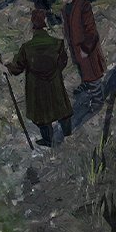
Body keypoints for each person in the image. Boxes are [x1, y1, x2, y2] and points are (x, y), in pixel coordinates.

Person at [6, 8, 72, 147]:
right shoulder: (58, 44)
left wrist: (6, 68)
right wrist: (55, 72)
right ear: (45, 23)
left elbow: (17, 68)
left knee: (41, 116)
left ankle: (48, 140)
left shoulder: (26, 48)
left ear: (32, 26)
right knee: (61, 108)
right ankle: (67, 132)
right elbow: (63, 62)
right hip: (54, 83)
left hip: (36, 87)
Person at [58, 0, 105, 97]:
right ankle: (86, 83)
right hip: (75, 47)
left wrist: (86, 48)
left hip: (86, 48)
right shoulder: (65, 9)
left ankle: (97, 97)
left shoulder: (84, 6)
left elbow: (91, 30)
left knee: (92, 72)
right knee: (82, 68)